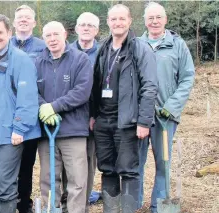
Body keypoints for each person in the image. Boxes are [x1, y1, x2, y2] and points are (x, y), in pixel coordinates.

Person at [90, 4, 157, 212]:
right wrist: (93, 115)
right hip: (103, 121)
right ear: (108, 22)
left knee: (128, 171)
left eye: (121, 19)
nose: (117, 23)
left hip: (128, 122)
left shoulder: (140, 48)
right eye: (113, 19)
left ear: (129, 21)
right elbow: (96, 83)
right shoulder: (103, 48)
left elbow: (150, 86)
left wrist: (144, 121)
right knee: (107, 169)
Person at [0, 14, 42, 213]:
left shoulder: (21, 61)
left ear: (9, 33)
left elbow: (28, 98)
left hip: (8, 133)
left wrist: (19, 128)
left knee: (5, 187)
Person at [137, 2, 195, 212]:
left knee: (163, 162)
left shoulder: (177, 45)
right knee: (136, 163)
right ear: (145, 21)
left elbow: (187, 78)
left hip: (165, 116)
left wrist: (171, 107)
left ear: (165, 19)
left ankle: (159, 206)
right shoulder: (136, 44)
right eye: (150, 18)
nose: (154, 21)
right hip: (139, 117)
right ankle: (135, 203)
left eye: (158, 17)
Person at [35, 21, 93, 213]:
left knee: (77, 181)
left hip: (73, 131)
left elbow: (82, 91)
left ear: (65, 35)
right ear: (43, 38)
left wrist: (54, 107)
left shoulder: (80, 59)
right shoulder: (38, 62)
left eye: (55, 35)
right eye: (48, 36)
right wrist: (43, 107)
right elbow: (31, 92)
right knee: (48, 179)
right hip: (47, 131)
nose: (52, 39)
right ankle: (50, 209)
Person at [63, 12, 100, 212]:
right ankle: (65, 204)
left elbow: (101, 89)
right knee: (65, 166)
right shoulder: (65, 51)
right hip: (68, 118)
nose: (86, 28)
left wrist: (95, 115)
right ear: (76, 29)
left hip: (91, 118)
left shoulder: (102, 53)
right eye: (82, 25)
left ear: (97, 30)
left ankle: (82, 205)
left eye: (90, 25)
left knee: (87, 164)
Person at [10, 5, 46, 213]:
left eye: (27, 18)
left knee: (27, 164)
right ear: (14, 23)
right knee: (6, 163)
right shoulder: (3, 46)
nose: (23, 21)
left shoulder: (42, 47)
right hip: (7, 115)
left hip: (31, 115)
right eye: (19, 18)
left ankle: (24, 202)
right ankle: (7, 200)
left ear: (34, 23)